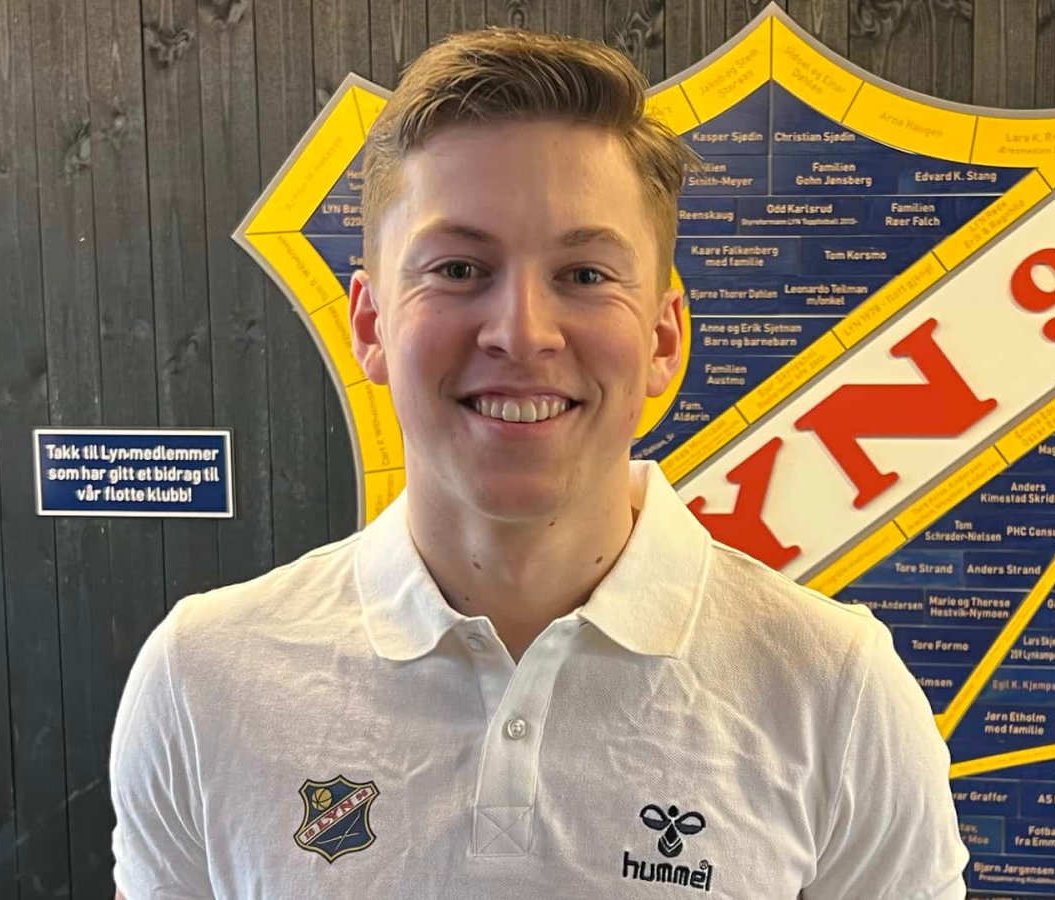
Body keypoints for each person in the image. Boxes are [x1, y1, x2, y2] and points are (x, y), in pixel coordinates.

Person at [110, 27, 967, 899]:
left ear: (663, 338)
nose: (522, 333)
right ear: (369, 324)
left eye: (585, 275)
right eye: (458, 268)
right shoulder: (201, 680)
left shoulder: (837, 692)